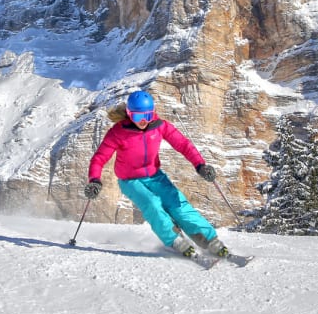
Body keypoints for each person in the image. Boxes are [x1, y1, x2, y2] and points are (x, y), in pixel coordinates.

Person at [84, 89, 228, 259]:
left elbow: (183, 144)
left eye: (147, 115)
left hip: (155, 176)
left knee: (178, 205)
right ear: (129, 114)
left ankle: (210, 240)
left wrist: (200, 165)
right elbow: (100, 157)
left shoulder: (160, 126)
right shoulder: (118, 132)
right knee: (152, 204)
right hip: (130, 181)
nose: (143, 121)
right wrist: (94, 180)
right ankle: (175, 240)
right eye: (138, 117)